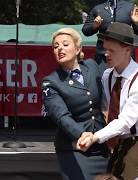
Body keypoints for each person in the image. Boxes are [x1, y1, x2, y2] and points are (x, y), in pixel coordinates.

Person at [76, 22, 138, 180]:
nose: (106, 54)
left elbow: (126, 121)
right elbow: (108, 110)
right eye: (104, 49)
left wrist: (96, 137)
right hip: (121, 141)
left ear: (127, 50)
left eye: (111, 50)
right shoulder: (108, 75)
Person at [42, 27, 109, 180]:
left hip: (101, 145)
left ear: (78, 48)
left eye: (65, 44)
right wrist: (81, 134)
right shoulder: (51, 82)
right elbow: (61, 116)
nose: (60, 48)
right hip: (75, 148)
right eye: (56, 46)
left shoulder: (92, 66)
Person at [82, 0, 138, 73]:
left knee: (124, 80)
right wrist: (94, 26)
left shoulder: (130, 7)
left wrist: (136, 23)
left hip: (123, 54)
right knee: (103, 80)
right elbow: (85, 30)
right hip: (103, 55)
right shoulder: (97, 8)